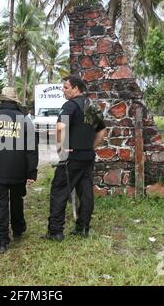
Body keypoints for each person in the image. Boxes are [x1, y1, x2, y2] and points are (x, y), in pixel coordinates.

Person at [42, 75, 106, 241]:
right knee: (86, 192)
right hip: (87, 156)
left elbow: (60, 127)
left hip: (71, 157)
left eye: (66, 88)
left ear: (76, 88)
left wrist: (60, 149)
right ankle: (83, 228)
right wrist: (91, 147)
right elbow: (101, 131)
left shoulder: (70, 105)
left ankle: (55, 231)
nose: (63, 91)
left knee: (59, 191)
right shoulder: (90, 106)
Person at [0, 87, 39, 254]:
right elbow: (32, 149)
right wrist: (31, 172)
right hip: (18, 171)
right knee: (17, 199)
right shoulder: (25, 120)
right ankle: (18, 229)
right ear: (15, 102)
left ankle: (2, 241)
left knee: (0, 204)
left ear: (1, 101)